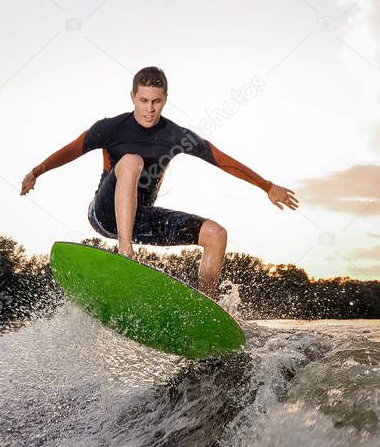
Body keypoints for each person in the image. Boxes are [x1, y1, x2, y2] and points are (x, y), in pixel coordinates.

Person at [20, 66, 298, 300]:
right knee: (131, 161)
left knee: (216, 234)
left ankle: (205, 309)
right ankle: (126, 254)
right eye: (143, 101)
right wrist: (37, 171)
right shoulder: (110, 128)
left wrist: (267, 186)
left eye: (156, 102)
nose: (149, 110)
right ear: (132, 97)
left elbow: (222, 160)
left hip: (142, 219)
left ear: (165, 99)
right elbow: (71, 150)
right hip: (105, 215)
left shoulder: (176, 135)